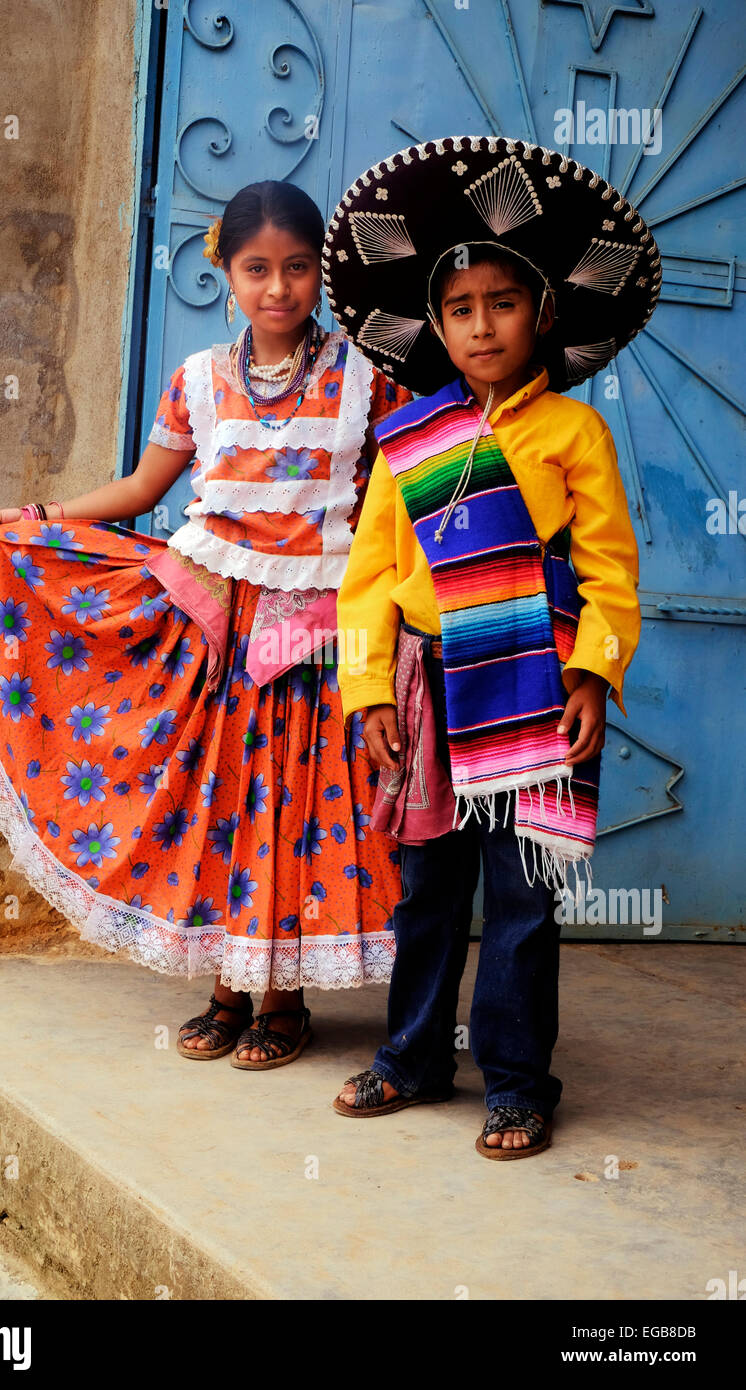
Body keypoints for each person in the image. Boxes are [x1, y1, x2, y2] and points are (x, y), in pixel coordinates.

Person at [0, 179, 412, 1070]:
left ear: (321, 275)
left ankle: (283, 1001)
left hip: (313, 631)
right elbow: (144, 490)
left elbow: (398, 500)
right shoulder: (200, 382)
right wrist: (52, 517)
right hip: (211, 619)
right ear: (226, 273)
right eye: (257, 269)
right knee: (218, 803)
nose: (278, 289)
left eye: (297, 269)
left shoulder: (367, 381)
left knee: (287, 806)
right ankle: (225, 990)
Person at [322, 136, 659, 1155]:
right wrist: (368, 688)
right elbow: (368, 579)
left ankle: (516, 1080)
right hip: (427, 688)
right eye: (458, 308)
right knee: (426, 890)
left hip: (530, 692)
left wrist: (594, 670)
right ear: (433, 324)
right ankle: (413, 1058)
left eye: (500, 304)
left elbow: (607, 573)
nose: (480, 324)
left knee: (518, 899)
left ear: (542, 314)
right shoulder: (408, 438)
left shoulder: (572, 435)